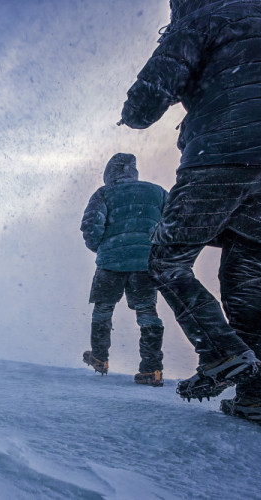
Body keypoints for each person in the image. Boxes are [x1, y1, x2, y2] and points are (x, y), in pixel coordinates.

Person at [119, 0, 261, 426]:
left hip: (223, 153)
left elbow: (143, 107)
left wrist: (140, 104)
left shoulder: (202, 20)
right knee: (245, 275)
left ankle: (220, 351)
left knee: (166, 259)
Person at [80, 153, 168, 387]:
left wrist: (101, 247)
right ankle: (152, 369)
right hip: (146, 262)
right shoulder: (157, 192)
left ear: (110, 174)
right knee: (147, 311)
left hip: (112, 261)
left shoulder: (104, 193)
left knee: (103, 308)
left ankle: (99, 357)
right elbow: (174, 223)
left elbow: (91, 227)